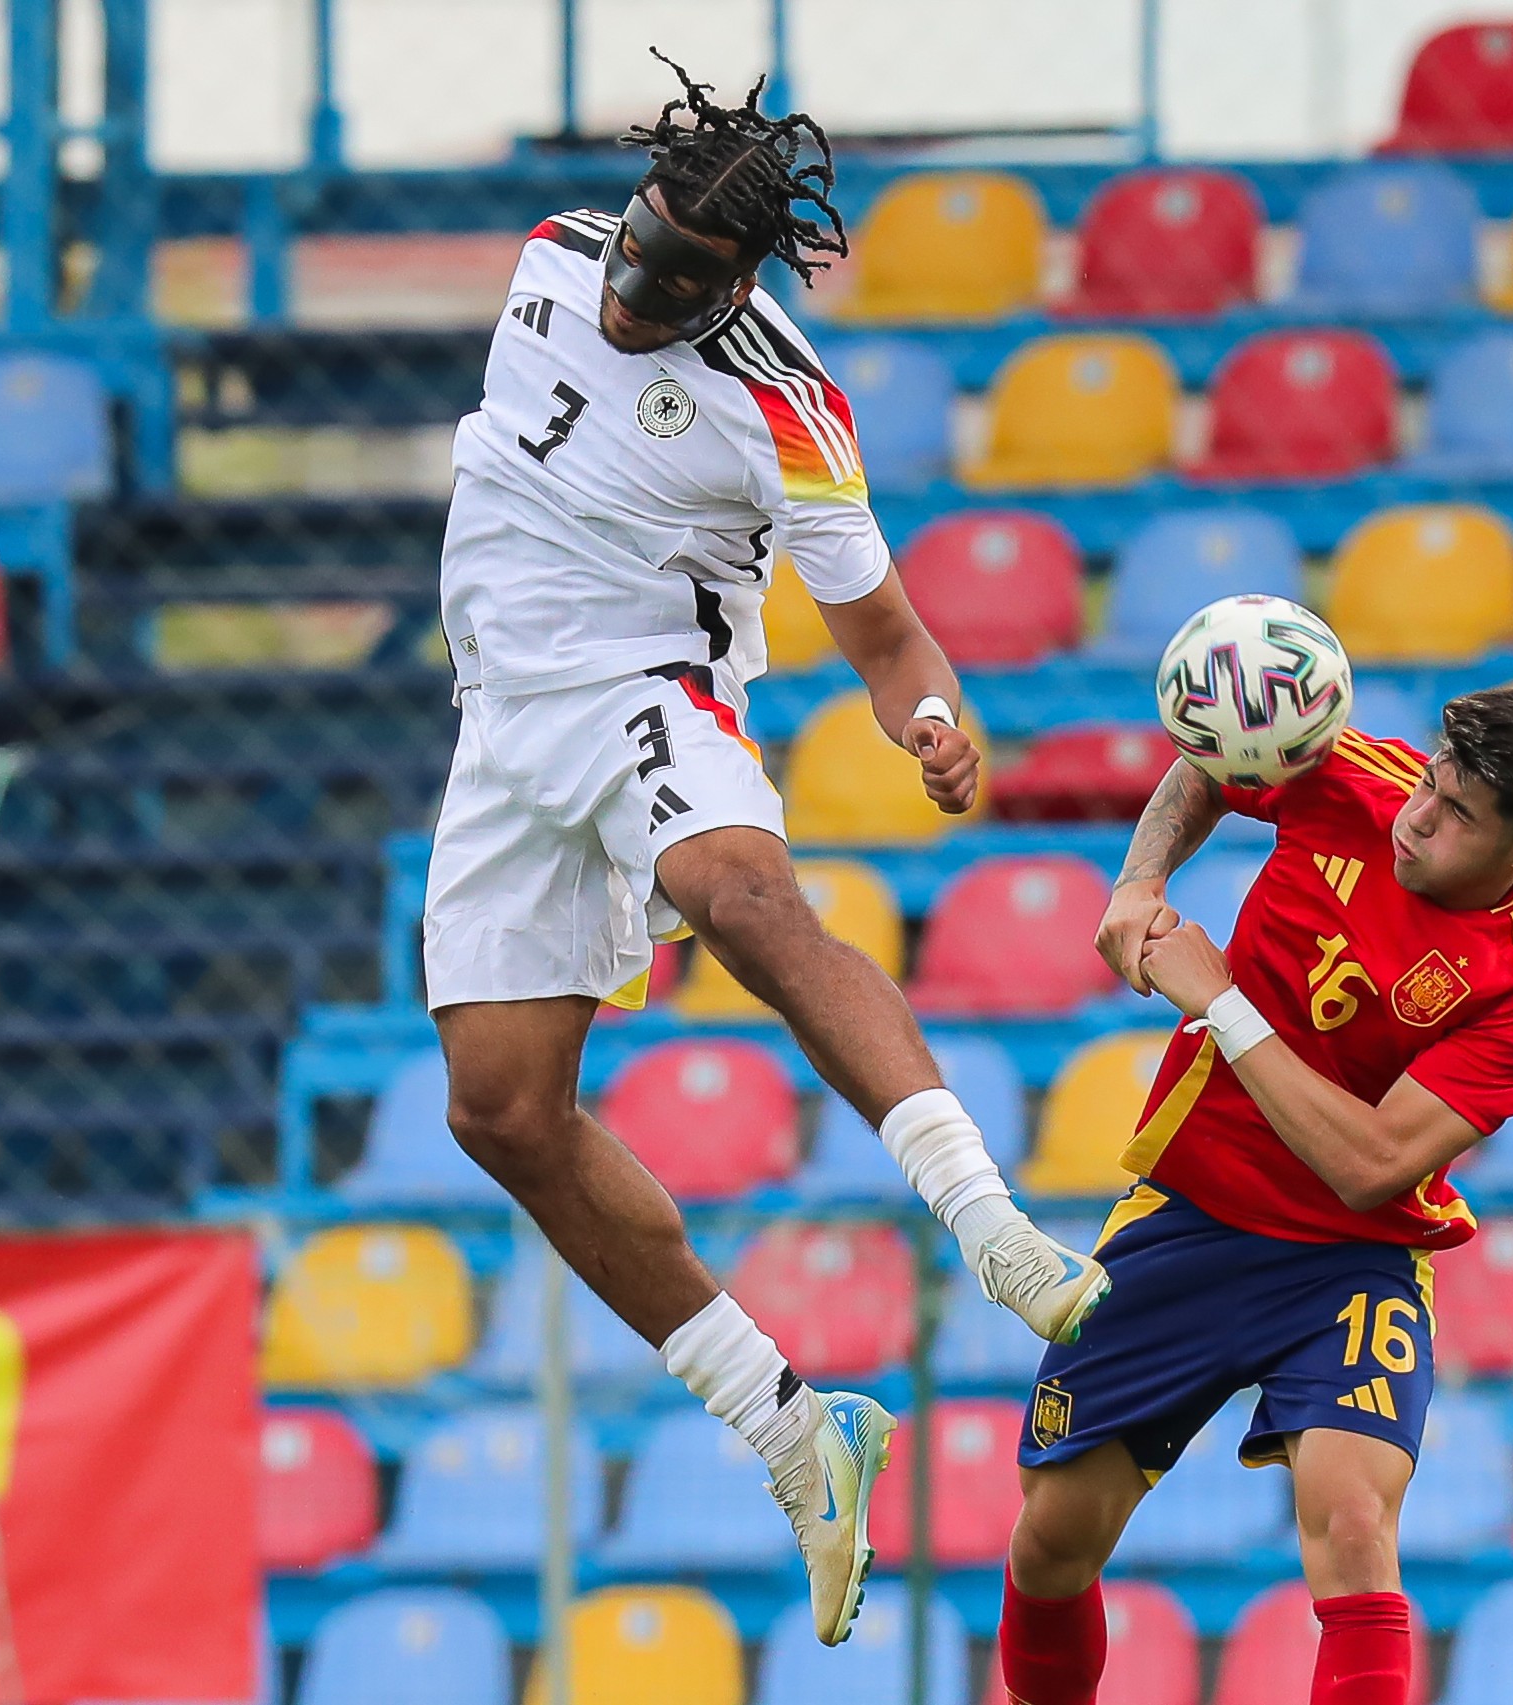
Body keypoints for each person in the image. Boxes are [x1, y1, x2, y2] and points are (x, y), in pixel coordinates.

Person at [421, 54, 1107, 1647]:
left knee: (738, 894)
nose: (635, 292)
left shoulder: (783, 404)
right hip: (500, 728)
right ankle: (797, 1429)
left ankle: (992, 1230)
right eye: (637, 250)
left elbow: (885, 633)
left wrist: (932, 719)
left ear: (743, 284)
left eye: (680, 281)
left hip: (645, 690)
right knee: (500, 1112)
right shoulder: (550, 254)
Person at [996, 686, 1513, 1705]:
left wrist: (1224, 1006)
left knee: (1355, 1526)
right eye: (1430, 783)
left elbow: (1372, 1165)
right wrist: (1138, 879)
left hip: (1350, 1253)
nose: (1417, 814)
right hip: (1191, 1213)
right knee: (1053, 1539)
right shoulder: (1352, 778)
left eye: (1458, 815)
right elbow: (1208, 760)